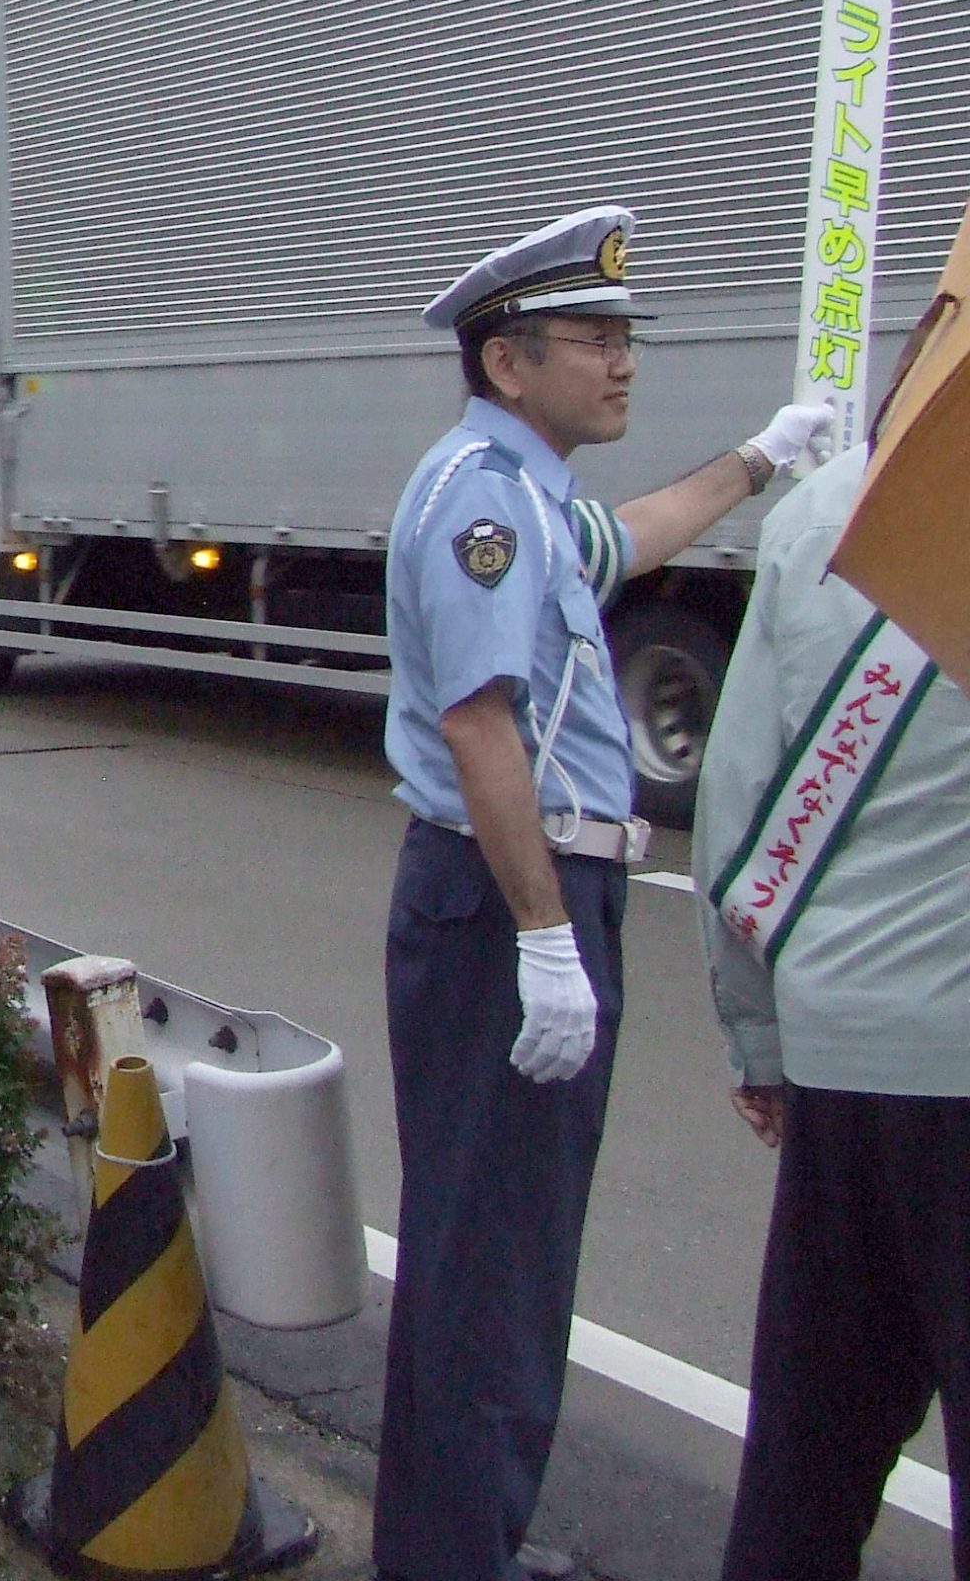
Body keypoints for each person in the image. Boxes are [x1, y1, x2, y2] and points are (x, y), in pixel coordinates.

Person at [372, 205, 834, 1581]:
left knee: (505, 1250)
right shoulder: (477, 501)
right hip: (504, 897)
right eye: (594, 338)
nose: (623, 362)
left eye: (626, 337)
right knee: (492, 1264)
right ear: (510, 364)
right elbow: (480, 730)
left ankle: (461, 1544)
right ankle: (457, 1560)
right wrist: (546, 941)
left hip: (520, 894)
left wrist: (760, 459)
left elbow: (623, 539)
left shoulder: (521, 495)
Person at [692, 301, 970, 1579]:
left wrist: (757, 1037)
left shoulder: (817, 522)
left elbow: (737, 806)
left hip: (839, 1069)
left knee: (807, 1461)